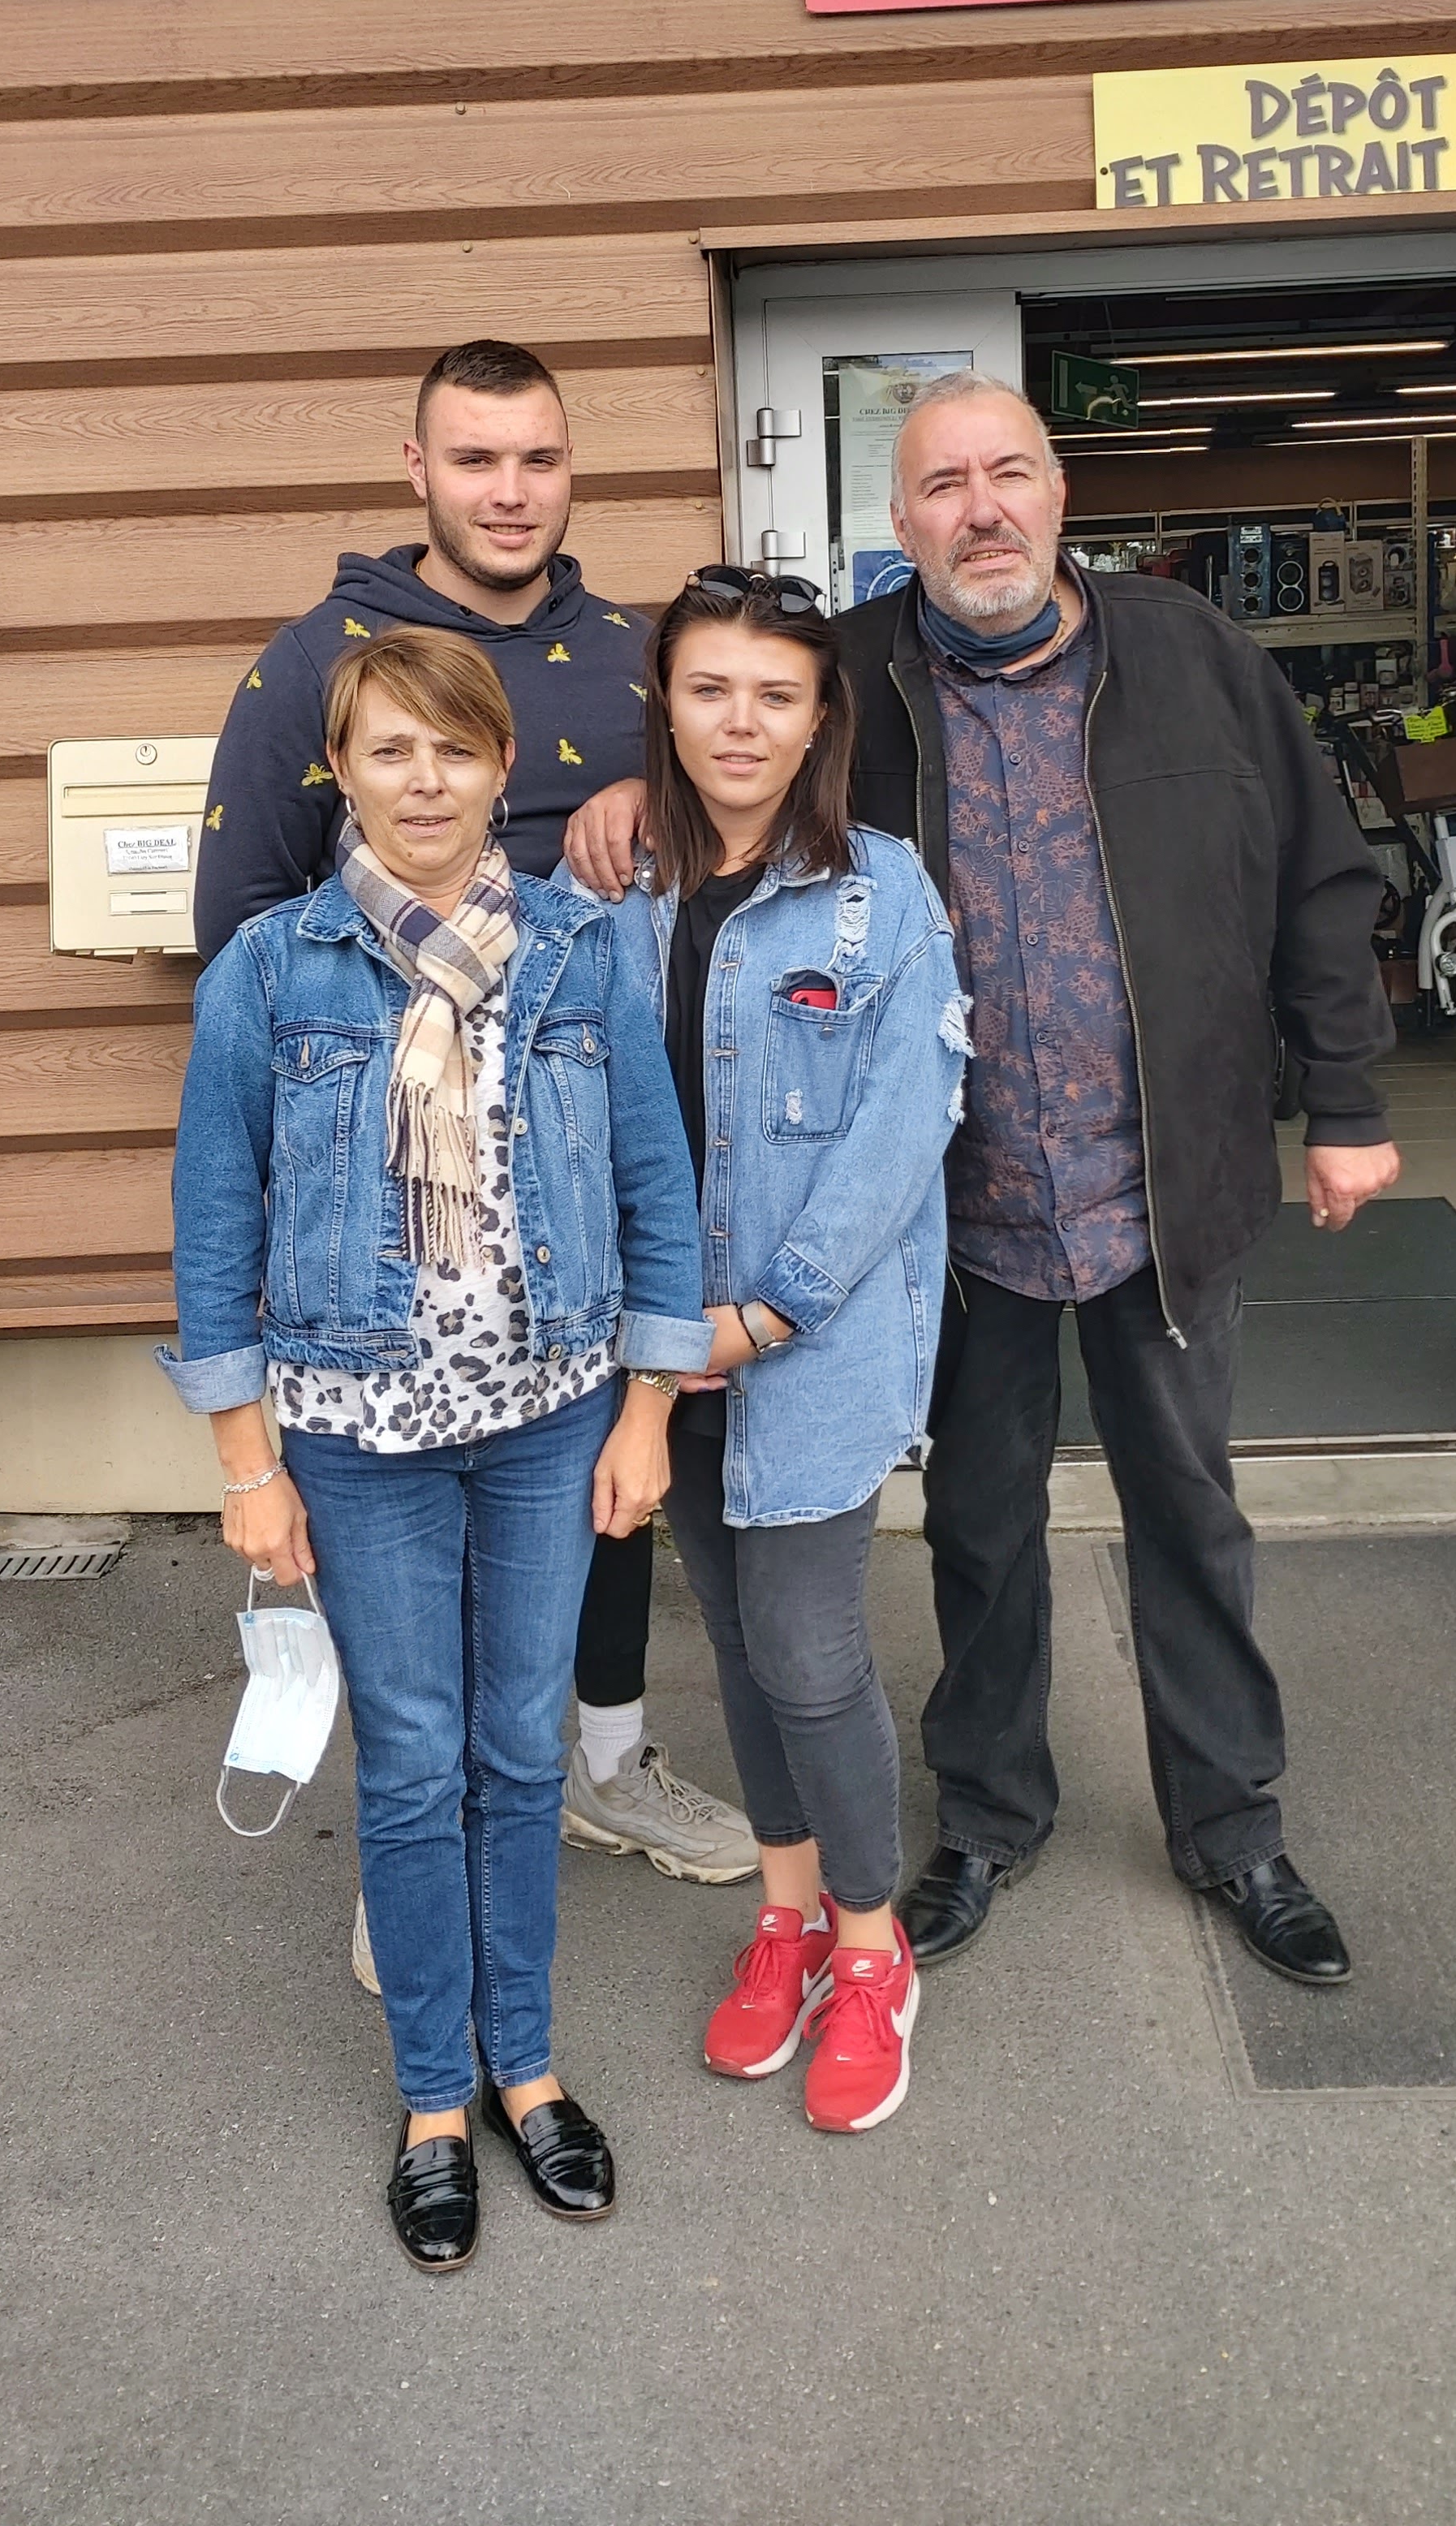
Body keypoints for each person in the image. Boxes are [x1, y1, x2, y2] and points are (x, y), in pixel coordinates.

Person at [566, 374, 1399, 1987]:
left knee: (1189, 1514)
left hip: (1160, 1183)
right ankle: (991, 1818)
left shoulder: (1190, 655)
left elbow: (1319, 870)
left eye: (1008, 473)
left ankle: (1234, 1828)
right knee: (980, 1525)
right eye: (944, 486)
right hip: (953, 1204)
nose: (982, 510)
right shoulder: (853, 680)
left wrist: (1347, 1096)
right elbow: (724, 762)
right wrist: (625, 793)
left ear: (1060, 492)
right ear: (903, 522)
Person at [194, 338, 756, 1994]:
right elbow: (246, 937)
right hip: (390, 1218)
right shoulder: (314, 664)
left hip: (599, 1145)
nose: (510, 493)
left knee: (598, 1495)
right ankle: (420, 1849)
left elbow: (748, 812)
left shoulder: (640, 658)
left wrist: (653, 784)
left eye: (538, 460)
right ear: (419, 468)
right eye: (476, 459)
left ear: (572, 469)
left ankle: (607, 1760)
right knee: (408, 1564)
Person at [163, 627, 713, 2274]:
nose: (425, 782)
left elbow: (657, 1187)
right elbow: (215, 1221)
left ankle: (526, 2069)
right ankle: (430, 2103)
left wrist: (648, 1411)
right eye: (390, 750)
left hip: (548, 1418)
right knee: (410, 1765)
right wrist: (247, 1461)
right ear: (342, 768)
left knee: (523, 1756)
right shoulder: (272, 970)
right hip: (358, 1435)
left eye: (455, 750)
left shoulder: (582, 951)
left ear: (500, 767)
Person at [622, 568, 963, 2132]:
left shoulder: (881, 894)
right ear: (668, 706)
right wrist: (651, 1331)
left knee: (813, 1652)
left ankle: (872, 1947)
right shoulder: (617, 895)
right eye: (711, 690)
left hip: (806, 1345)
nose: (741, 723)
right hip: (659, 1346)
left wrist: (766, 1315)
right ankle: (787, 1917)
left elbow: (904, 1130)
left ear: (823, 717)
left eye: (777, 694)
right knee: (741, 1647)